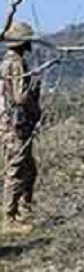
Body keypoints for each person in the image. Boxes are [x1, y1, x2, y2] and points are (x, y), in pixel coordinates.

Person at [1, 21, 40, 235]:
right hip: (15, 126)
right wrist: (35, 104)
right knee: (16, 170)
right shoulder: (15, 64)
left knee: (29, 170)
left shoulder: (8, 62)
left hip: (12, 124)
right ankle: (10, 216)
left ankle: (24, 209)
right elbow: (19, 97)